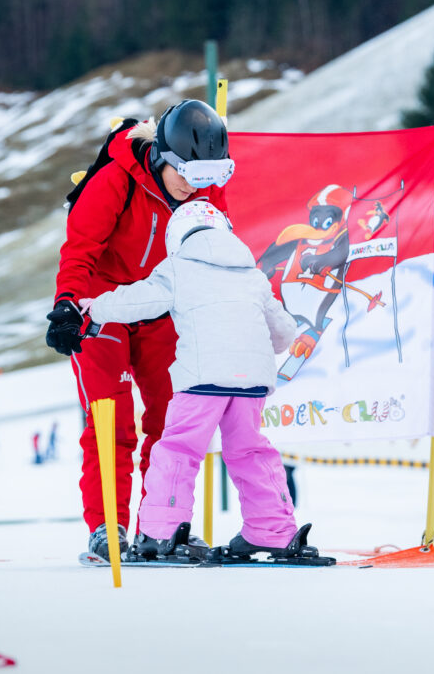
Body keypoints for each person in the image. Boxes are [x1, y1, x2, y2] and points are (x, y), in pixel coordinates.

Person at [80, 200, 319, 560]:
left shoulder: (177, 268)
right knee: (250, 452)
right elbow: (284, 331)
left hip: (201, 380)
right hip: (252, 383)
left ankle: (160, 533)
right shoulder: (251, 275)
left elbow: (137, 301)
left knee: (179, 449)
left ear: (177, 236)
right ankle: (272, 530)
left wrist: (94, 307)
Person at [45, 100, 233, 559]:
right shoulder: (116, 181)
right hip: (101, 306)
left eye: (208, 178)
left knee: (171, 421)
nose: (196, 188)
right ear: (163, 158)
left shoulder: (205, 194)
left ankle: (161, 525)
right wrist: (68, 304)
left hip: (160, 309)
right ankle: (107, 526)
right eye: (188, 175)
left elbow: (219, 249)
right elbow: (80, 247)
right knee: (110, 420)